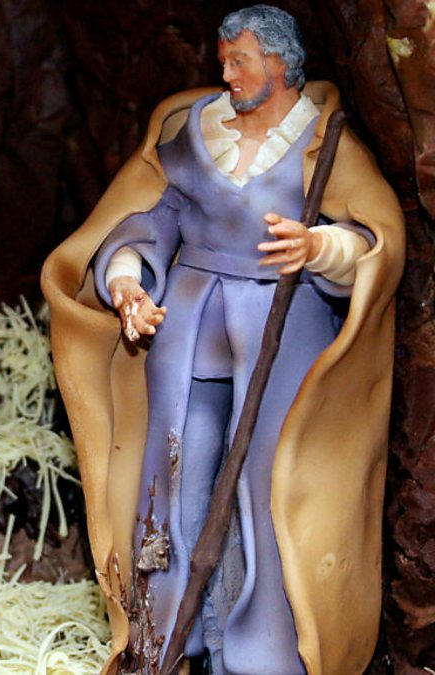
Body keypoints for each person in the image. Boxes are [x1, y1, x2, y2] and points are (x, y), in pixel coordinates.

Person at [41, 5, 403, 673]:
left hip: (281, 328)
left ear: (280, 64)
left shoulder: (322, 143)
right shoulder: (196, 130)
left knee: (269, 485)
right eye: (224, 60)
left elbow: (372, 240)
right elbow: (151, 218)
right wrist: (127, 280)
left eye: (241, 61)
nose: (228, 73)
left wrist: (319, 246)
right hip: (187, 324)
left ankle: (264, 652)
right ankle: (163, 636)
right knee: (173, 469)